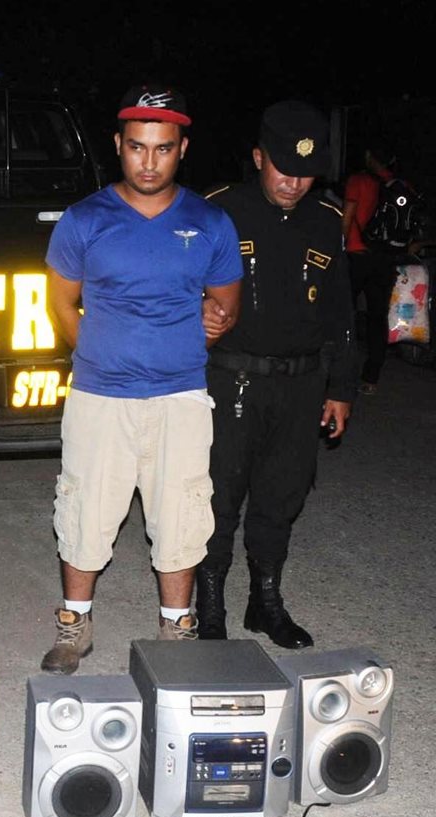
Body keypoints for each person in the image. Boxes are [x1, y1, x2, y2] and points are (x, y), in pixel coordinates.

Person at [40, 84, 243, 675]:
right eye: (136, 147)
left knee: (181, 512)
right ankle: (74, 623)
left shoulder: (210, 221)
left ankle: (175, 631)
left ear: (182, 148)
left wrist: (185, 340)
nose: (148, 161)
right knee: (84, 509)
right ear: (118, 146)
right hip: (100, 396)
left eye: (162, 148)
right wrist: (102, 355)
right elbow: (61, 305)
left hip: (180, 396)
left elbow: (225, 306)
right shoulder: (84, 219)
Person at [198, 101, 357, 647]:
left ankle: (265, 601)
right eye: (283, 168)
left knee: (281, 496)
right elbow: (176, 284)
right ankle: (209, 603)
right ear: (258, 157)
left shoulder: (327, 220)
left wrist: (341, 388)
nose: (294, 182)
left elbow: (341, 313)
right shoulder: (218, 211)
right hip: (232, 379)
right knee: (219, 496)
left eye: (305, 173)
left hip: (301, 382)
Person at [344, 145, 409, 394]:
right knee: (377, 316)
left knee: (343, 314)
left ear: (369, 157)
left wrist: (342, 243)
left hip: (357, 256)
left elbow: (348, 215)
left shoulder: (358, 180)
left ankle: (342, 372)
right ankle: (371, 377)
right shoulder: (400, 186)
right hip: (385, 259)